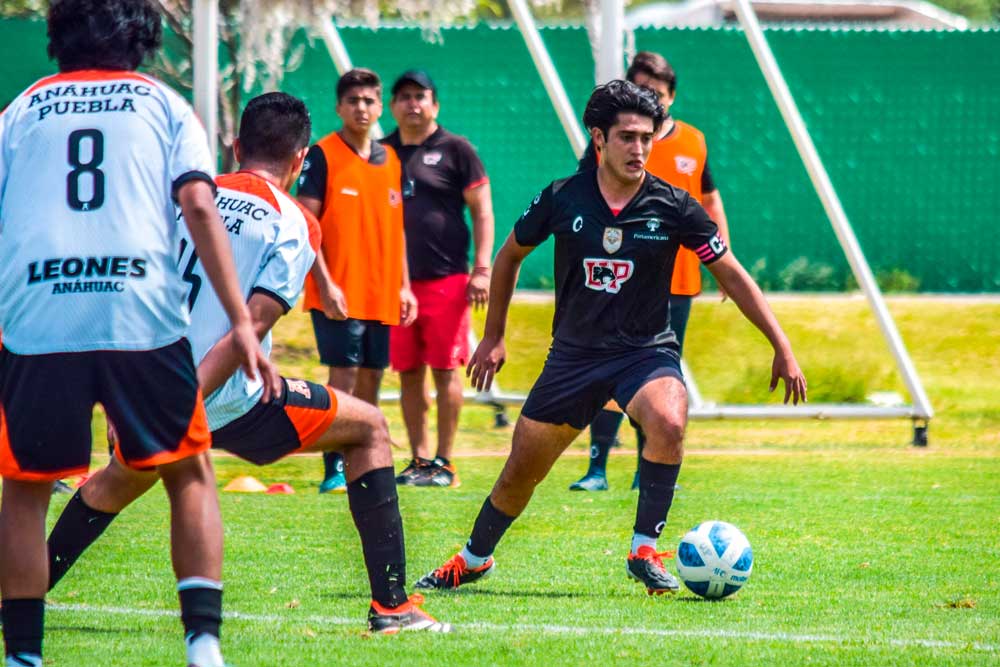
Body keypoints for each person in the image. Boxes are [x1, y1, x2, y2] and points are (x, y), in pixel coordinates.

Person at [44, 92, 450, 634]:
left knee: (116, 481)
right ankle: (393, 608)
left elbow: (124, 296)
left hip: (147, 386)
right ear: (301, 158)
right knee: (371, 428)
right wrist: (179, 410)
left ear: (236, 146)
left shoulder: (184, 197)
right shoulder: (293, 221)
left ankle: (19, 596)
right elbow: (247, 331)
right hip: (219, 398)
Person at [413, 81, 806, 596]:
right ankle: (474, 558)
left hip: (644, 354)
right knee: (519, 474)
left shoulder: (674, 205)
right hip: (573, 358)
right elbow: (508, 257)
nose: (639, 149)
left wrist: (781, 345)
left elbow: (730, 271)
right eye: (627, 137)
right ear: (599, 138)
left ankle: (644, 548)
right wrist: (493, 337)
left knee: (668, 418)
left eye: (647, 138)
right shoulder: (561, 197)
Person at [0, 1, 279, 665]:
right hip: (138, 310)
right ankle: (203, 645)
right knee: (189, 470)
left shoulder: (21, 110)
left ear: (57, 38)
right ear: (144, 41)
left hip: (40, 312)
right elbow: (199, 202)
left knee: (26, 487)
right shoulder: (160, 104)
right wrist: (241, 319)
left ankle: (23, 656)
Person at [570, 50, 734, 492]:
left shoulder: (694, 141)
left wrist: (723, 260)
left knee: (660, 373)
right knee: (605, 361)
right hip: (617, 273)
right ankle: (597, 467)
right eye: (642, 92)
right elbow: (584, 192)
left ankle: (649, 468)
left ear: (672, 97)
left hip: (676, 278)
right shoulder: (615, 139)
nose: (650, 102)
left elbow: (710, 198)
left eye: (657, 95)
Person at [297, 68, 417, 494]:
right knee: (342, 380)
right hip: (338, 293)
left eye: (369, 101)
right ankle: (333, 467)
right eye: (353, 101)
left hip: (382, 293)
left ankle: (363, 463)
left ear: (379, 106)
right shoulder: (323, 154)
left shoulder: (392, 160)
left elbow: (397, 227)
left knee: (371, 379)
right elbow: (305, 223)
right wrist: (325, 284)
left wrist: (404, 286)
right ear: (339, 107)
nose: (361, 108)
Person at [382, 70, 495, 488]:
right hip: (397, 286)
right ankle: (417, 459)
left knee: (446, 370)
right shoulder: (381, 153)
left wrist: (481, 269)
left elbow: (482, 211)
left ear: (435, 104)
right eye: (405, 96)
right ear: (392, 105)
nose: (413, 104)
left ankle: (445, 461)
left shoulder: (456, 150)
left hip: (448, 280)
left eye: (421, 96)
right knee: (408, 372)